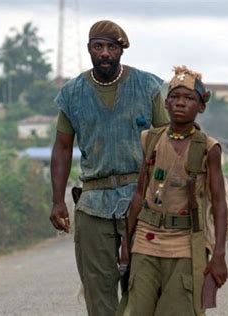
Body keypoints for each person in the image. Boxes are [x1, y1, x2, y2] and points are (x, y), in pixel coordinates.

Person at [49, 20, 169, 316]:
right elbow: (63, 147)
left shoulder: (147, 86)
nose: (104, 53)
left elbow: (167, 142)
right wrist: (57, 202)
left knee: (143, 285)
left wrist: (164, 194)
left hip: (141, 199)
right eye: (98, 46)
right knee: (98, 287)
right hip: (93, 201)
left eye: (111, 47)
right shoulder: (72, 93)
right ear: (89, 49)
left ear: (121, 51)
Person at [123, 66, 228, 316]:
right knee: (136, 308)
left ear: (201, 106)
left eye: (189, 98)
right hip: (146, 239)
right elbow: (139, 194)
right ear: (166, 103)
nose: (180, 103)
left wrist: (219, 255)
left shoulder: (208, 148)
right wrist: (126, 244)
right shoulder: (150, 139)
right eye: (174, 97)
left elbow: (220, 202)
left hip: (184, 244)